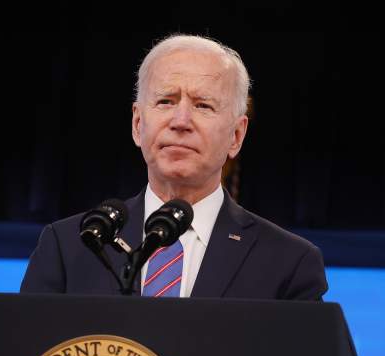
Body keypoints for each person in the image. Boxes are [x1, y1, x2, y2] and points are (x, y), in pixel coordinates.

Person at [20, 34, 327, 300]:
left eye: (203, 105)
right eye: (166, 101)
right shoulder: (70, 246)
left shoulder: (289, 263)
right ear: (138, 124)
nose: (181, 121)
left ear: (236, 135)